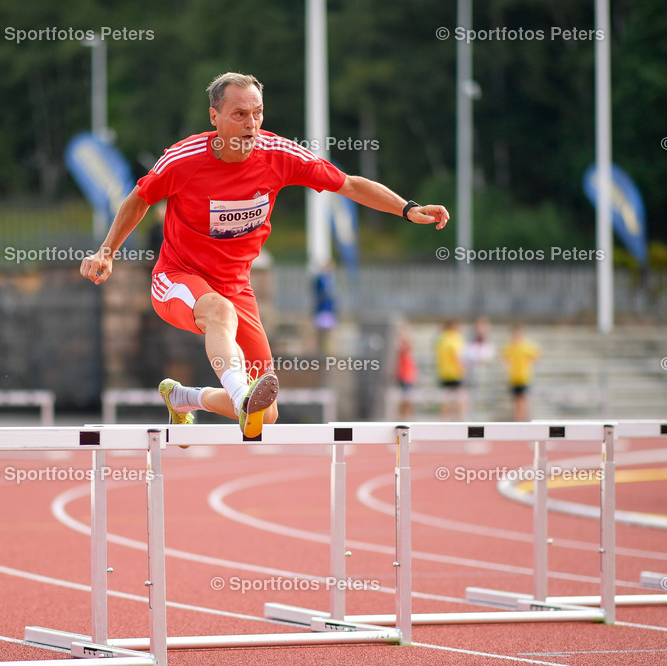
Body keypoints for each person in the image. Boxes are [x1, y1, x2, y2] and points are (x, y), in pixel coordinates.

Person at [80, 72, 449, 437]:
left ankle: (183, 397)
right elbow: (140, 199)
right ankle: (242, 396)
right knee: (220, 316)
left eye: (257, 113)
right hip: (176, 279)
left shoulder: (278, 155)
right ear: (215, 117)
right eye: (239, 114)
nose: (251, 123)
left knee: (268, 413)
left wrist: (407, 209)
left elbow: (349, 184)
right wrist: (107, 253)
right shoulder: (183, 159)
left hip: (236, 288)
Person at [502, 324, 541, 422]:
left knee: (523, 400)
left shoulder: (526, 346)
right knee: (515, 401)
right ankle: (517, 419)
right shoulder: (510, 346)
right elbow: (505, 358)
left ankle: (523, 419)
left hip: (524, 377)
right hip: (514, 377)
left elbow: (536, 356)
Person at [435, 320, 466, 420]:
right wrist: (462, 367)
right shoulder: (453, 338)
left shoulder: (441, 339)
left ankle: (443, 420)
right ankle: (459, 420)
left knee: (446, 399)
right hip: (454, 373)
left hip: (443, 372)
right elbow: (455, 355)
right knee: (460, 398)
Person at [396, 330, 418, 420]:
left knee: (408, 399)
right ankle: (403, 416)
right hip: (405, 377)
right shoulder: (403, 352)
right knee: (405, 399)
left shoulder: (409, 354)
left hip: (409, 378)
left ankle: (408, 416)